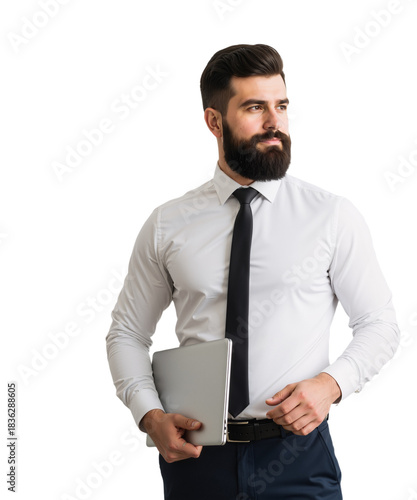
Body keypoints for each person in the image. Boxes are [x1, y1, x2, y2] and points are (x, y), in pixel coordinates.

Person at [106, 43, 400, 500]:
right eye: (254, 107)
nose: (274, 122)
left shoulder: (331, 216)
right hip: (196, 457)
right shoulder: (168, 223)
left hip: (298, 457)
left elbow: (379, 324)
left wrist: (331, 385)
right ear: (214, 121)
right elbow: (126, 332)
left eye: (281, 106)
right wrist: (149, 415)